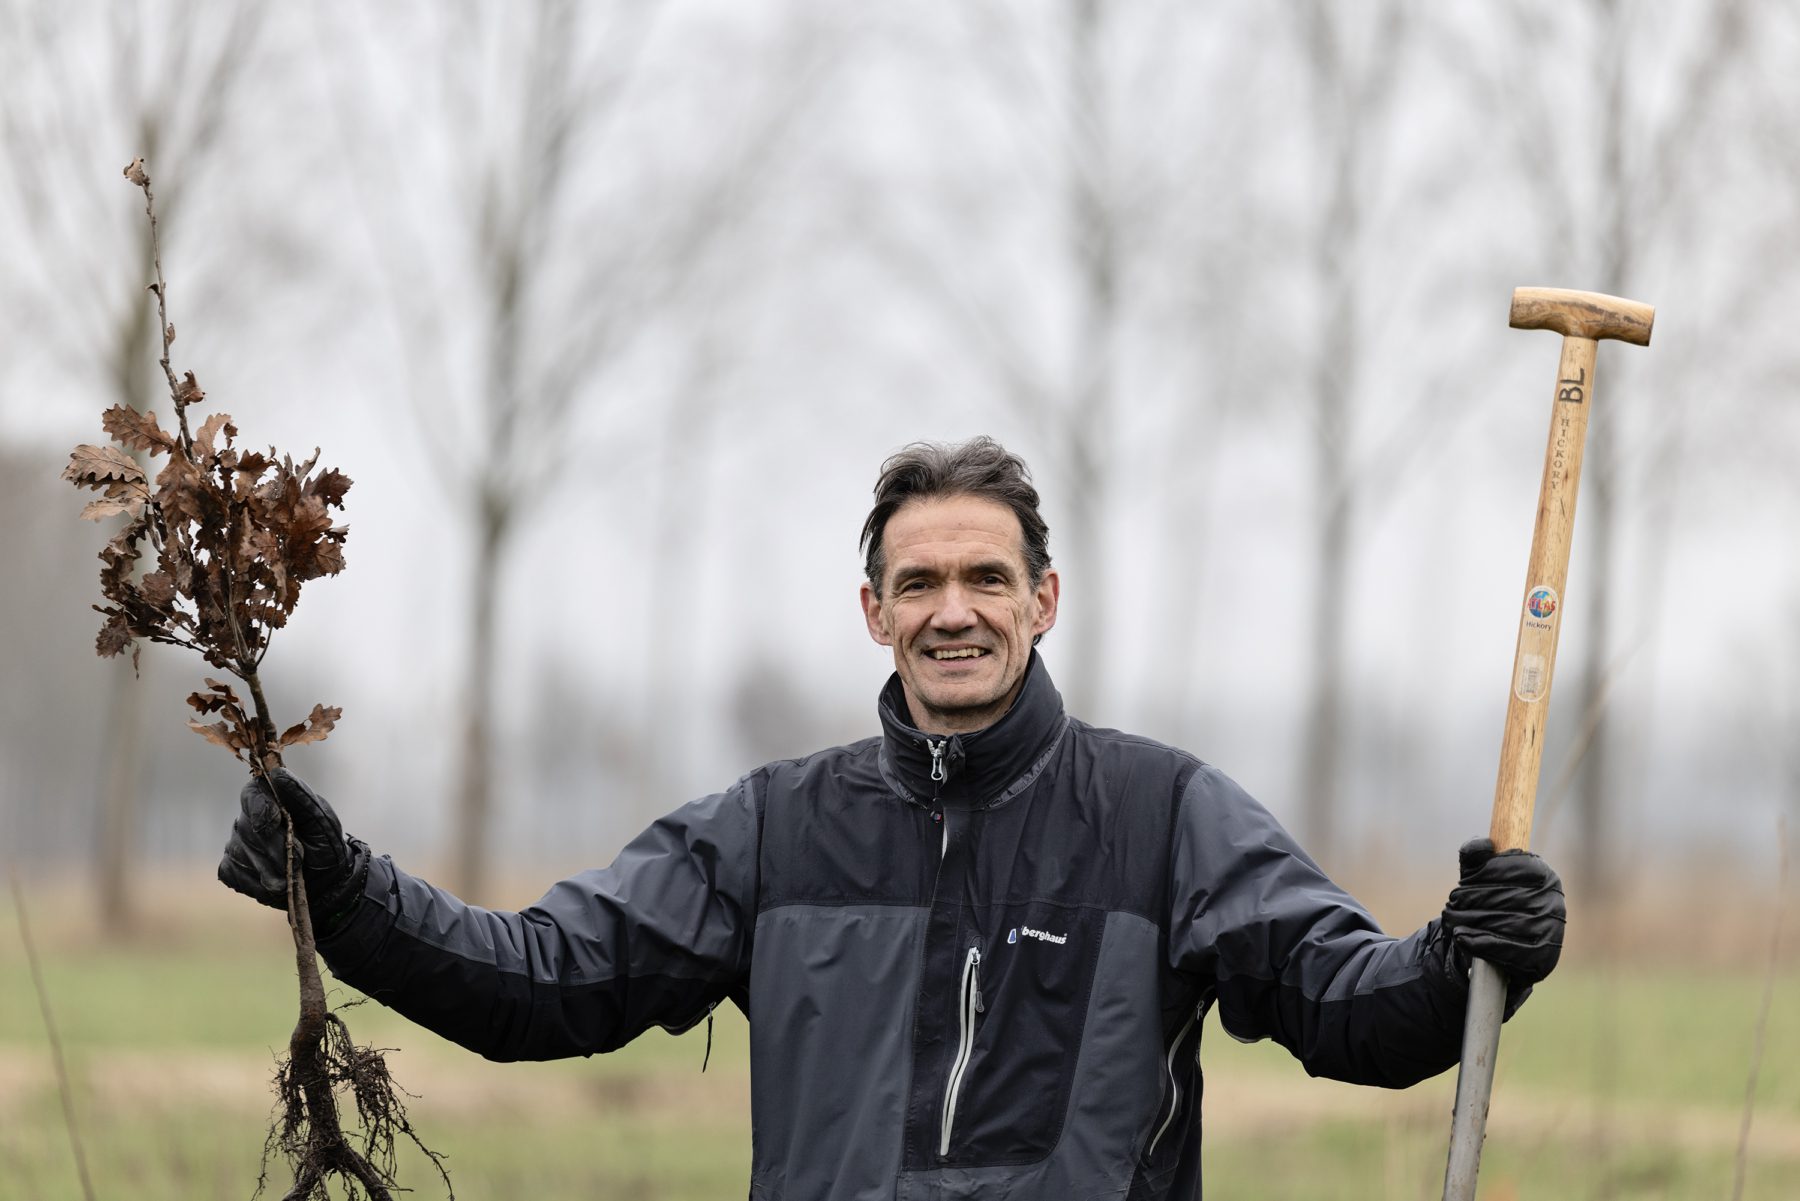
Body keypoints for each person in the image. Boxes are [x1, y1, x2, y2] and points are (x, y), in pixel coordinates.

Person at [220, 436, 1564, 1200]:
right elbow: (538, 982)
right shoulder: (773, 831)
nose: (954, 609)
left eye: (988, 576)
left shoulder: (1166, 816)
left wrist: (1465, 955)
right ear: (874, 610)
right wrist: (339, 888)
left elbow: (1353, 1009)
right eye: (919, 581)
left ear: (1046, 598)